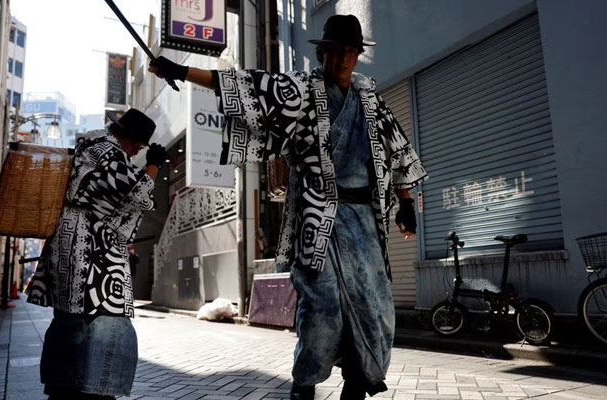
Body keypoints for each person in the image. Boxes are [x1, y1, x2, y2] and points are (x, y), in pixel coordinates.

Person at [149, 14, 427, 399]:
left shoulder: (371, 101)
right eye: (337, 51)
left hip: (365, 224)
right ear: (324, 53)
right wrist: (179, 69)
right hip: (319, 221)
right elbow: (248, 85)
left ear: (357, 55)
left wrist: (406, 202)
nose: (344, 59)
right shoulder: (302, 91)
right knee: (322, 312)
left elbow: (398, 153)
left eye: (351, 51)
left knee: (374, 310)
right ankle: (305, 385)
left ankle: (358, 385)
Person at [26, 108, 166, 399]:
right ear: (126, 136)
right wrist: (152, 167)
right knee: (80, 319)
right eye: (138, 143)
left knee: (74, 318)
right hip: (83, 246)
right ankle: (81, 389)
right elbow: (134, 194)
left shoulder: (93, 147)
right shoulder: (104, 149)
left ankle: (69, 387)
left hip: (78, 244)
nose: (138, 150)